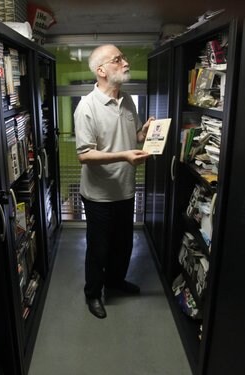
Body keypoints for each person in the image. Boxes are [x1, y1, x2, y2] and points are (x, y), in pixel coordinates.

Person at [74, 44, 154, 319]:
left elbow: (133, 139)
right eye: (117, 59)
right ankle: (93, 294)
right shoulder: (87, 107)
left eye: (124, 58)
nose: (125, 62)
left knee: (124, 244)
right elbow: (85, 155)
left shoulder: (128, 100)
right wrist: (123, 155)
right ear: (101, 70)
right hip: (98, 194)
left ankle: (115, 282)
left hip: (125, 189)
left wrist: (143, 133)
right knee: (99, 249)